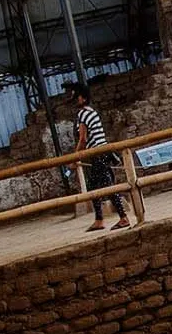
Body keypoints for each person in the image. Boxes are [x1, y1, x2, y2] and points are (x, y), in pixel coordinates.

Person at [63, 83, 128, 232]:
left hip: (97, 153)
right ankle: (99, 219)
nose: (74, 99)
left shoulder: (82, 114)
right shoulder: (92, 111)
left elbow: (83, 139)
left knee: (108, 187)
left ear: (82, 98)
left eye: (76, 96)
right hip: (102, 151)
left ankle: (123, 218)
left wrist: (74, 158)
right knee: (94, 186)